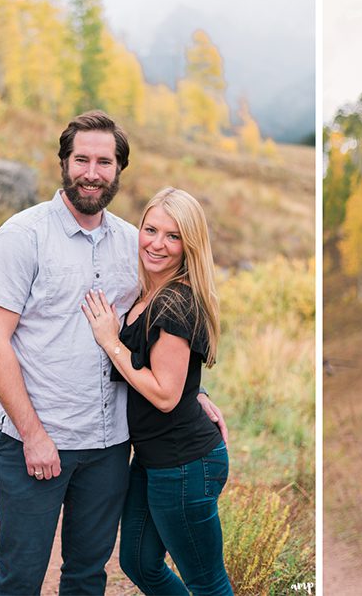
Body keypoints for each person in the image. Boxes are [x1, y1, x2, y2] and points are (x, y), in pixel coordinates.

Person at [0, 111, 227, 595]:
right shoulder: (21, 237)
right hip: (38, 443)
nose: (92, 172)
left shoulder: (134, 244)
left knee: (88, 577)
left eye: (104, 162)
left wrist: (193, 392)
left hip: (110, 448)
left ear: (118, 170)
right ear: (64, 163)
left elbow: (161, 332)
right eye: (82, 159)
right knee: (20, 578)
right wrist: (32, 435)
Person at [82, 187, 232, 595]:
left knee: (206, 582)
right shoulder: (148, 294)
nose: (157, 244)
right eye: (151, 230)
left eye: (173, 236)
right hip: (154, 460)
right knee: (138, 562)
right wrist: (196, 394)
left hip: (185, 464)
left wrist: (110, 340)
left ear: (189, 245)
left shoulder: (173, 302)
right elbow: (176, 378)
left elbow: (166, 394)